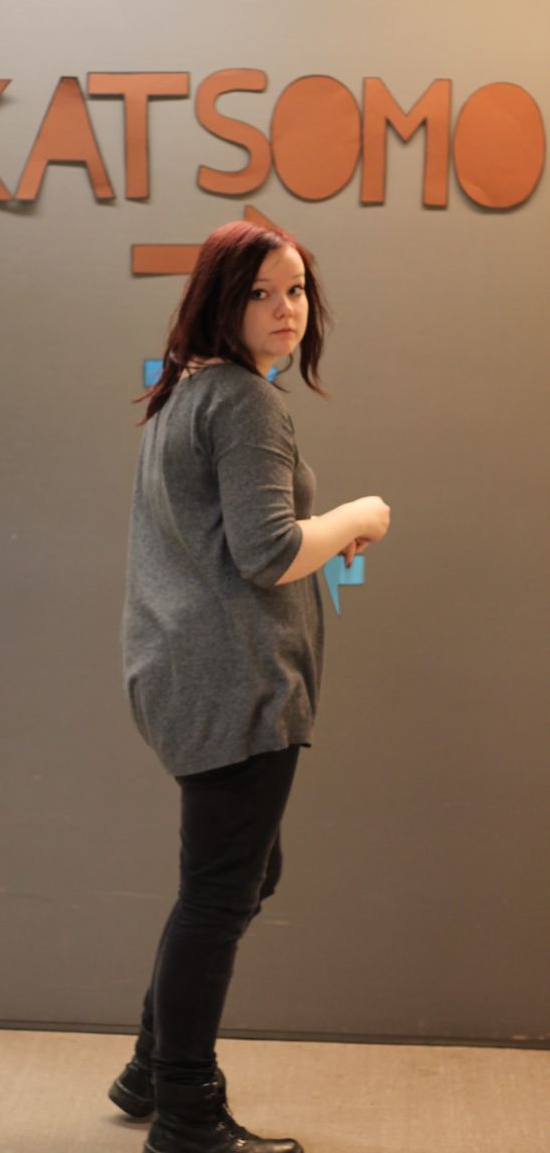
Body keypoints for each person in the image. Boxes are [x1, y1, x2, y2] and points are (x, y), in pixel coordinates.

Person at [110, 220, 391, 1153]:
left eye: (296, 290)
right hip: (234, 681)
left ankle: (151, 1065)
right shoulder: (242, 402)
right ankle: (186, 1109)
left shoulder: (186, 388)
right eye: (261, 292)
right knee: (220, 892)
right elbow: (269, 554)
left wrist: (318, 533)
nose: (284, 310)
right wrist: (355, 515)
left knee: (239, 875)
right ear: (219, 301)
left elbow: (234, 538)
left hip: (188, 672)